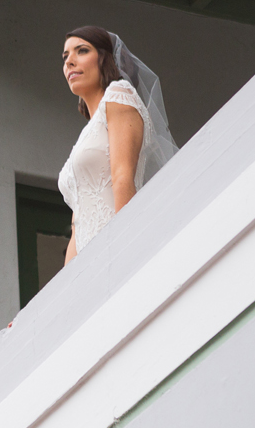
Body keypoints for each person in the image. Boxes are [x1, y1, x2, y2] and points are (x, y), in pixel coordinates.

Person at [58, 26, 179, 263]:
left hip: (114, 248)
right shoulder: (86, 135)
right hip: (86, 262)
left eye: (81, 51)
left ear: (105, 59)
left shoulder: (118, 95)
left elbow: (123, 177)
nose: (69, 62)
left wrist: (124, 251)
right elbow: (77, 226)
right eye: (65, 57)